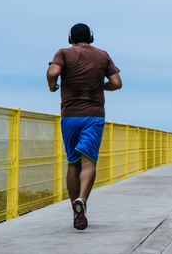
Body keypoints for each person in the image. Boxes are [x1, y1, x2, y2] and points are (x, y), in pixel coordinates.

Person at [46, 23, 122, 230]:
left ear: (70, 38)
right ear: (92, 38)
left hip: (69, 116)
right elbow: (116, 83)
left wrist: (52, 87)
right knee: (88, 163)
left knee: (73, 163)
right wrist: (100, 86)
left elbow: (53, 73)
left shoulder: (63, 53)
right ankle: (82, 200)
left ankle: (76, 212)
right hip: (94, 116)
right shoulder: (102, 55)